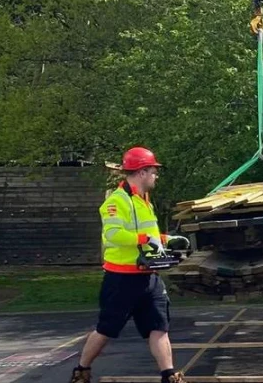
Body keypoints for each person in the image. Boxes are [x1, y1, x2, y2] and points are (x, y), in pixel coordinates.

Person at [70, 147, 187, 383]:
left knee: (159, 326)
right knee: (106, 329)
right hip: (122, 278)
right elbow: (113, 235)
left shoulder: (144, 201)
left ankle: (169, 375)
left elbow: (148, 234)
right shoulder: (116, 201)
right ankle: (82, 370)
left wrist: (167, 240)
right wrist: (145, 239)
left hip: (149, 276)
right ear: (142, 172)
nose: (156, 175)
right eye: (153, 171)